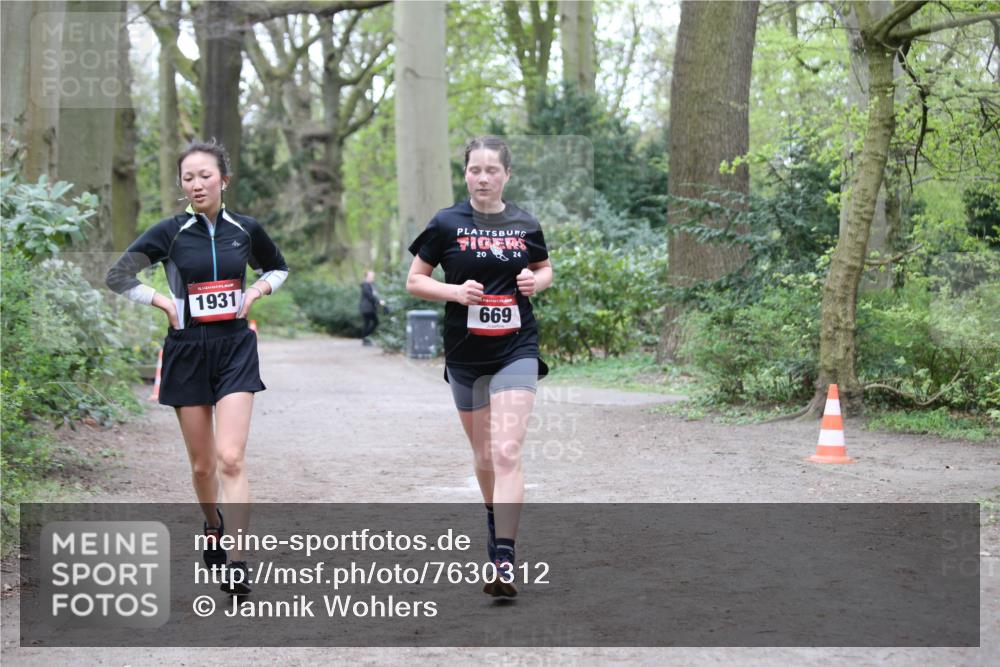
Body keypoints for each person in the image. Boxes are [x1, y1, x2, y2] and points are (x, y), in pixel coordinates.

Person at [106, 140, 288, 596]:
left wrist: (256, 292)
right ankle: (213, 525)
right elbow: (118, 275)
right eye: (188, 178)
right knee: (204, 466)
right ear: (182, 186)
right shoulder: (169, 232)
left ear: (223, 180)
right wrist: (161, 301)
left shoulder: (245, 230)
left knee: (231, 457)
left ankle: (238, 560)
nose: (197, 184)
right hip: (186, 351)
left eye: (205, 175)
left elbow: (278, 268)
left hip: (234, 348)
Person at [406, 136, 553, 598]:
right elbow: (415, 280)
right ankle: (494, 521)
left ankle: (504, 558)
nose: (483, 177)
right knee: (485, 456)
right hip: (466, 355)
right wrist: (455, 293)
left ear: (507, 175)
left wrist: (535, 281)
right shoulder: (446, 223)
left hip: (516, 348)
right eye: (475, 170)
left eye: (492, 170)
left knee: (507, 451)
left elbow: (545, 269)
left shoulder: (525, 223)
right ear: (465, 174)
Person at [359, 270, 385, 345]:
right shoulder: (365, 285)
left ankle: (365, 339)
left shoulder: (371, 285)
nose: (373, 278)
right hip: (366, 308)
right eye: (371, 276)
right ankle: (365, 339)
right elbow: (370, 296)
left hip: (370, 308)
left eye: (373, 276)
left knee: (370, 323)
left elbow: (374, 295)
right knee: (371, 323)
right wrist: (379, 302)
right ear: (366, 277)